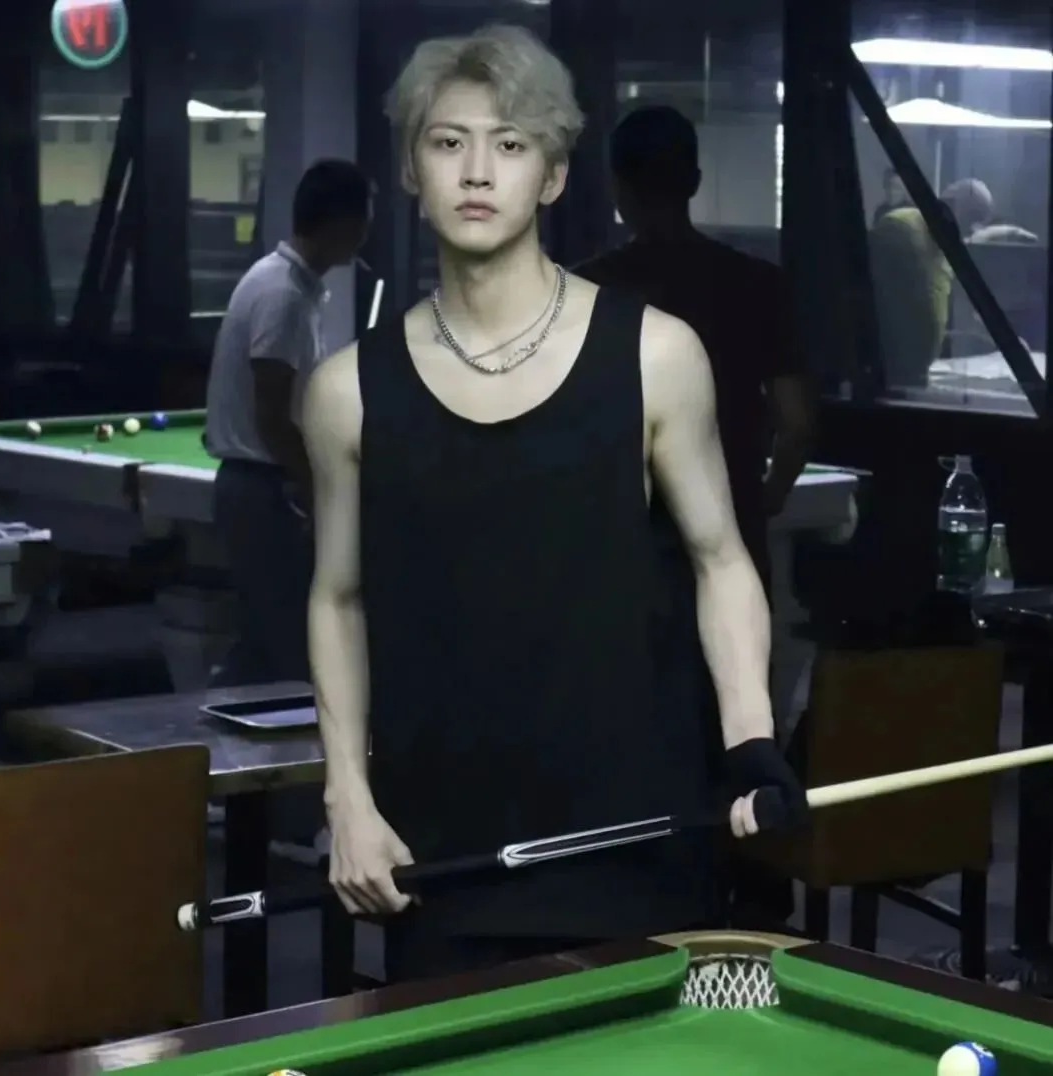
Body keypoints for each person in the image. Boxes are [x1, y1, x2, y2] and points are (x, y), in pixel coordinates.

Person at [304, 25, 806, 985]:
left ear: (555, 175)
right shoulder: (345, 393)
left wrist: (750, 740)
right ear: (411, 170)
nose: (477, 170)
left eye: (510, 143)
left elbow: (722, 561)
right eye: (448, 142)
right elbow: (338, 598)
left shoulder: (657, 354)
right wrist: (347, 799)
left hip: (641, 839)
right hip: (439, 859)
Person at [579, 105, 813, 929]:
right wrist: (766, 494)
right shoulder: (756, 284)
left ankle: (641, 901)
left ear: (616, 188)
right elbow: (798, 419)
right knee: (741, 725)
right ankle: (749, 892)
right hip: (734, 537)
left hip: (625, 552)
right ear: (695, 181)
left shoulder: (591, 291)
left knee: (634, 730)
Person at [205, 158, 371, 687]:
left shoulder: (284, 283)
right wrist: (319, 487)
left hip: (257, 489)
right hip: (263, 492)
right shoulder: (283, 294)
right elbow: (272, 418)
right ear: (342, 222)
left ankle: (200, 732)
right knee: (290, 651)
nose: (367, 233)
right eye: (364, 220)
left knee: (264, 646)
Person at [869, 178, 993, 388]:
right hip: (888, 378)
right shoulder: (899, 226)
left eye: (976, 223)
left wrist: (1002, 340)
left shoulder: (945, 248)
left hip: (916, 378)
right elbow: (865, 297)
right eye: (971, 217)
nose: (971, 230)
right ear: (949, 202)